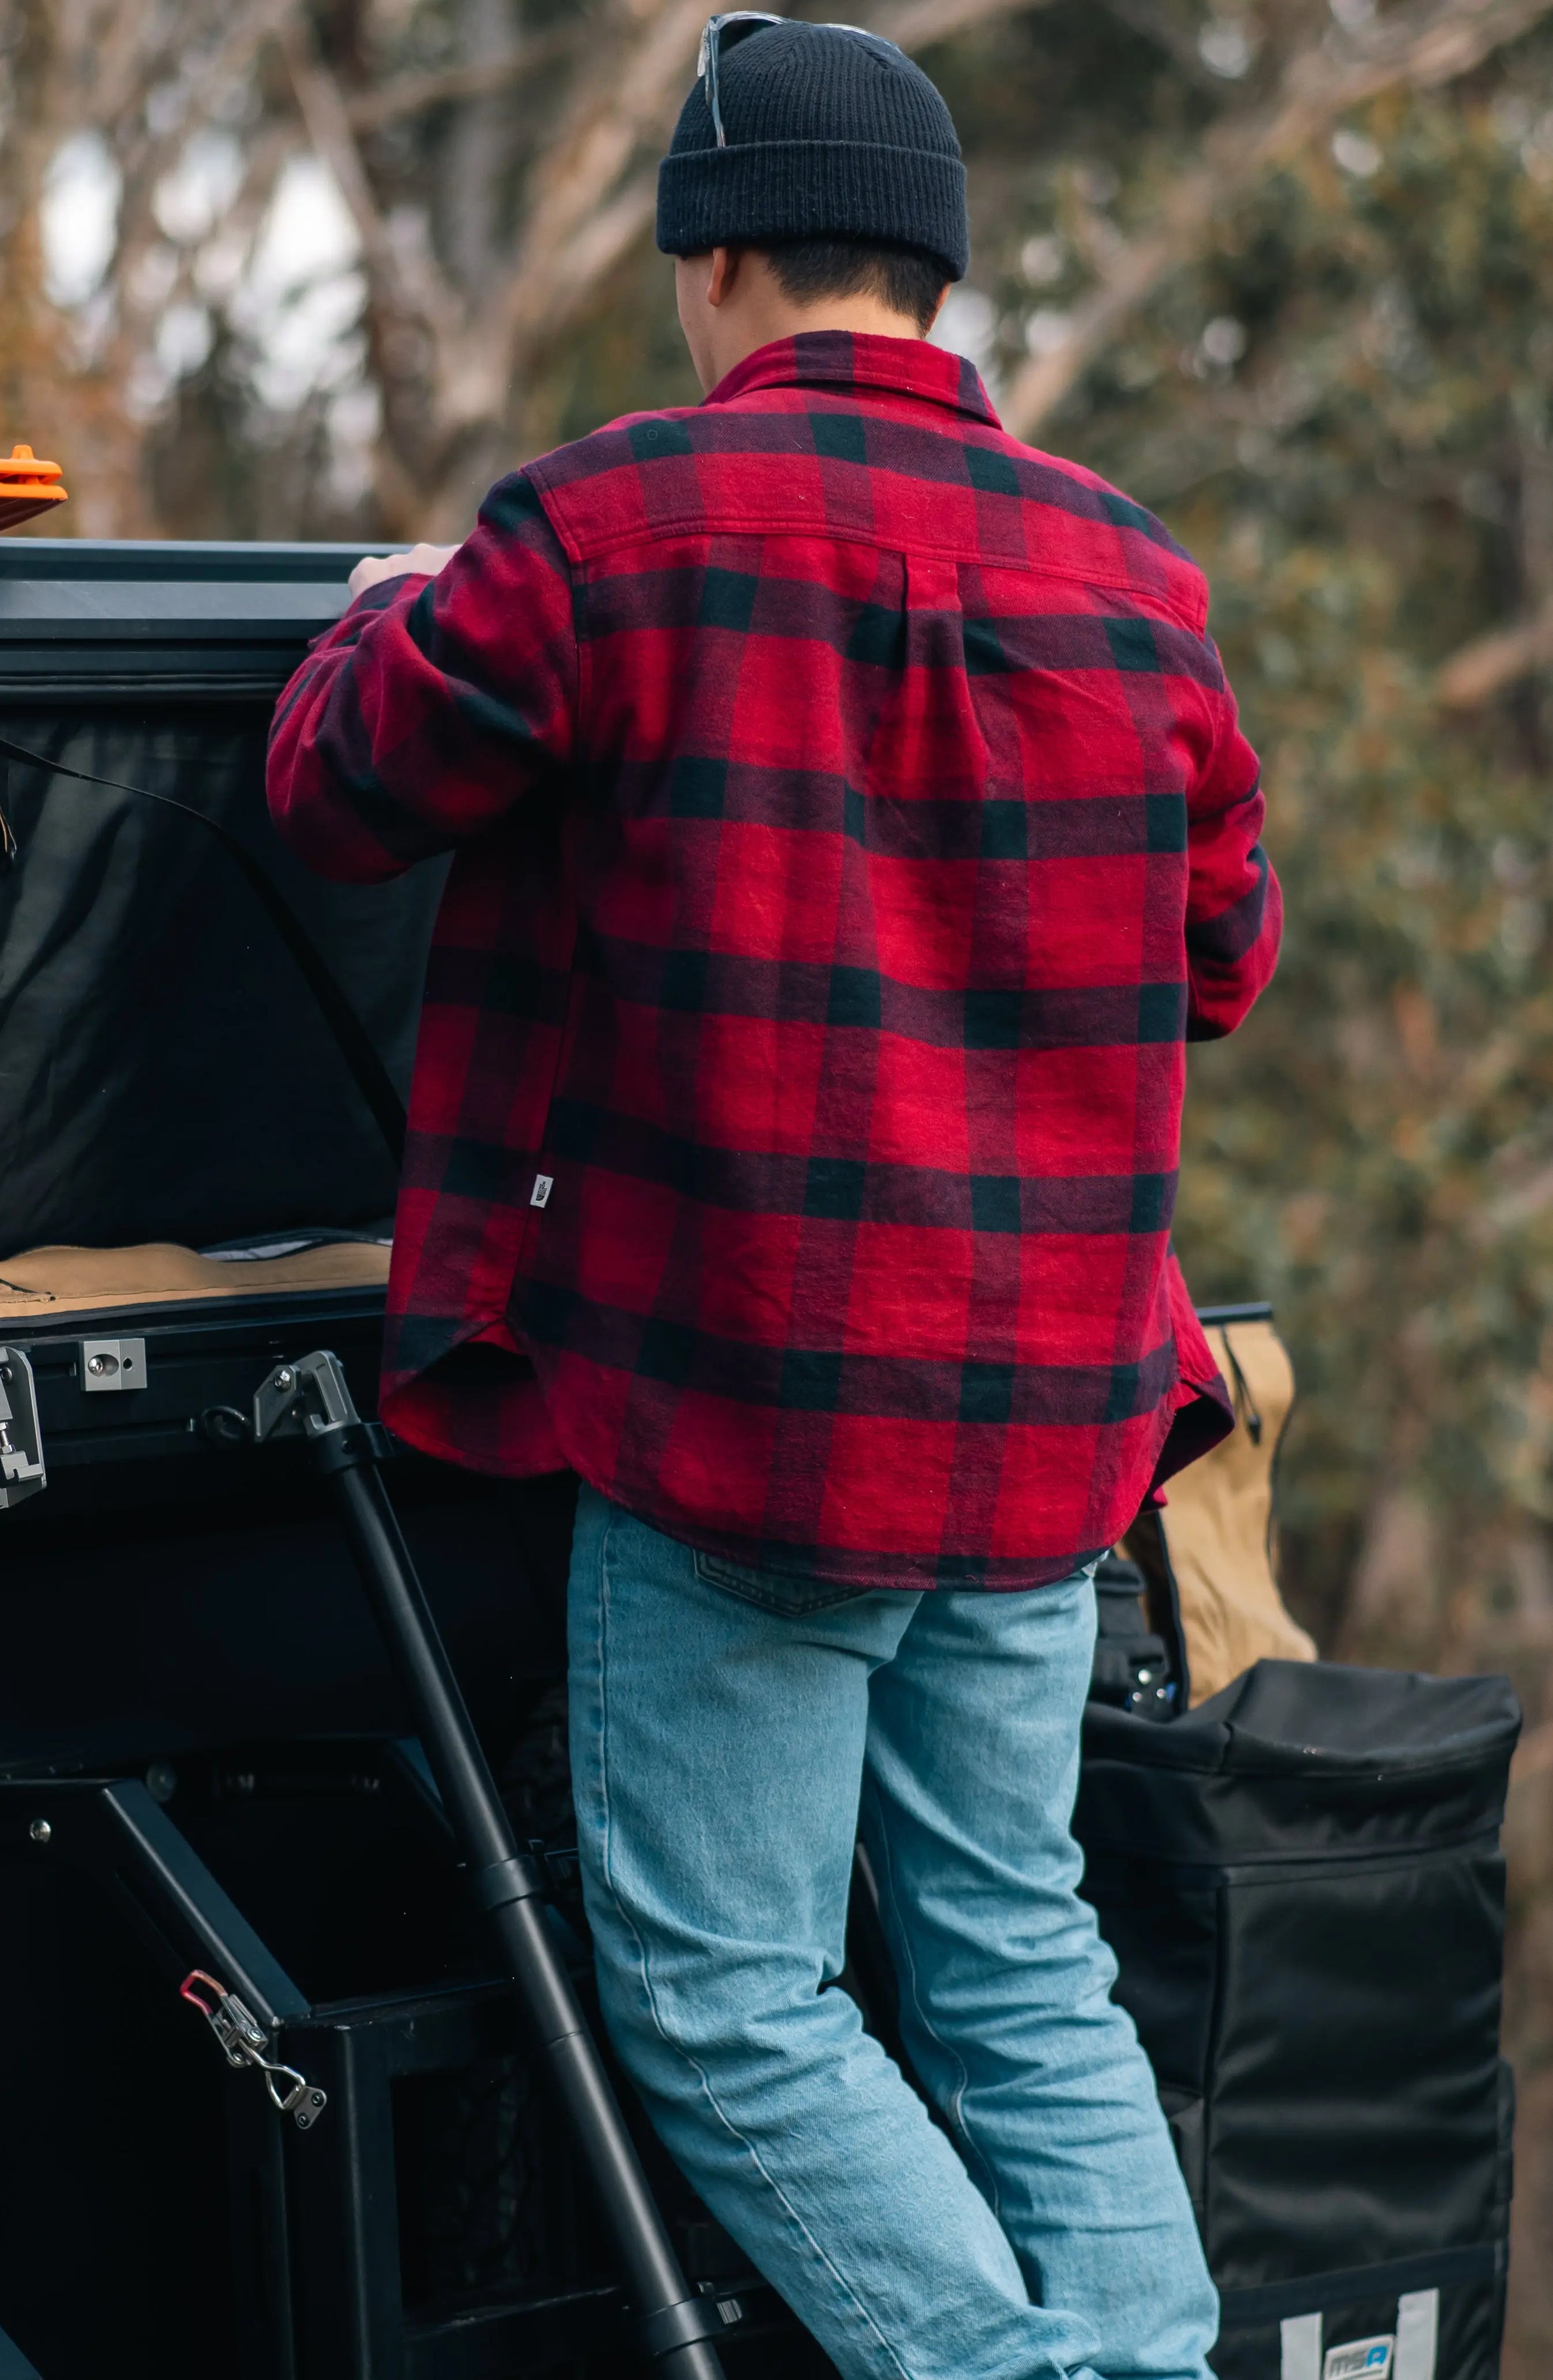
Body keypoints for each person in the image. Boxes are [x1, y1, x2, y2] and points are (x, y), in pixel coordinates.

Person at [266, 17, 1279, 2380]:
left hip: (750, 1422)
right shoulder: (1139, 579)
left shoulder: (604, 529)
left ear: (712, 258)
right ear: (934, 270)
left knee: (729, 1998)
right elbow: (1218, 957)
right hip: (1042, 1432)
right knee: (1018, 1951)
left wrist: (392, 603)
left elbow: (340, 788)